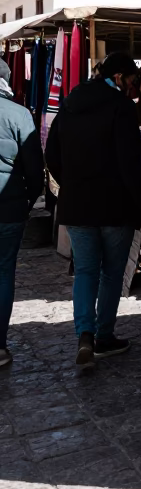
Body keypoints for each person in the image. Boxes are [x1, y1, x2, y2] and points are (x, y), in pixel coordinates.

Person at [45, 51, 141, 368]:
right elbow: (130, 163)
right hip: (115, 206)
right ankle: (104, 336)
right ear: (119, 77)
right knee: (111, 273)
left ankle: (85, 336)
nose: (135, 87)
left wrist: (72, 183)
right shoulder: (120, 107)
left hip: (77, 205)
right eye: (133, 80)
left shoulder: (71, 102)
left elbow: (52, 153)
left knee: (86, 271)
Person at [0, 56, 44, 367]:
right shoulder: (19, 113)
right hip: (9, 210)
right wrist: (27, 201)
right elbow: (34, 170)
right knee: (3, 274)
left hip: (12, 206)